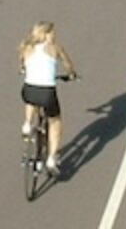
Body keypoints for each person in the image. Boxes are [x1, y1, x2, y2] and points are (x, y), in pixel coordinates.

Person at [18, 21, 78, 176]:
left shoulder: (27, 47)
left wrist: (24, 69)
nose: (54, 36)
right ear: (46, 34)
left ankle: (27, 124)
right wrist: (72, 74)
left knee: (30, 97)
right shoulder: (55, 48)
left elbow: (22, 65)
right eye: (52, 33)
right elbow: (68, 64)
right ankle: (51, 158)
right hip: (47, 93)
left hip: (29, 90)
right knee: (55, 121)